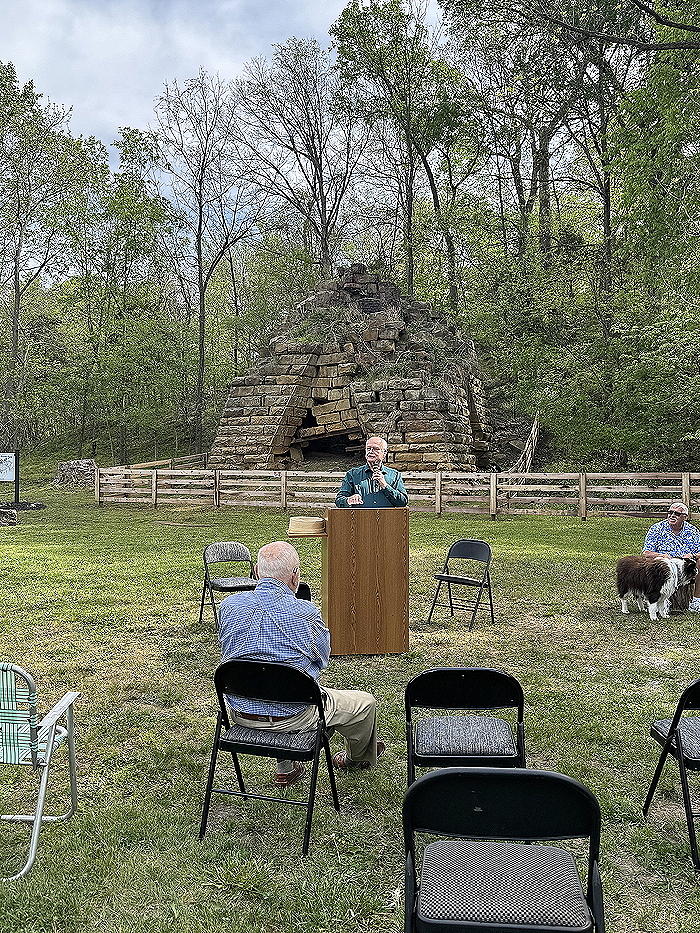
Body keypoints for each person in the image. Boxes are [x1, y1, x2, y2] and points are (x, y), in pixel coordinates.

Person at [218, 541, 384, 786]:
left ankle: (286, 769)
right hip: (294, 714)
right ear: (295, 576)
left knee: (273, 683)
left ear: (256, 571)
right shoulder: (305, 613)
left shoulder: (228, 607)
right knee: (364, 704)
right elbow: (323, 658)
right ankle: (355, 760)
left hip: (241, 713)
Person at [643, 501, 700, 611]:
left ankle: (696, 601)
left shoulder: (693, 531)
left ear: (685, 517)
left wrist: (692, 555)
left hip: (685, 565)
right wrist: (662, 555)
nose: (672, 515)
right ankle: (661, 600)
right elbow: (646, 553)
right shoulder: (656, 528)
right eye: (670, 512)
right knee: (657, 562)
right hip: (664, 564)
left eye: (677, 514)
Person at [335, 436, 408, 509]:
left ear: (384, 453)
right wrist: (348, 500)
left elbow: (403, 502)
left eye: (376, 449)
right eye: (368, 448)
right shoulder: (352, 474)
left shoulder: (395, 475)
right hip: (360, 516)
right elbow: (339, 500)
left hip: (387, 516)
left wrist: (385, 486)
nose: (370, 451)